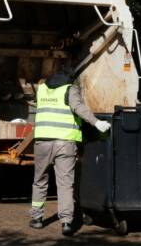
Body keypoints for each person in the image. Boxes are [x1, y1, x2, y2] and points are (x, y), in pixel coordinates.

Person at [30, 67, 111, 236]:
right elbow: (78, 108)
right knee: (65, 183)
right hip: (64, 142)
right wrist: (96, 122)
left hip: (42, 142)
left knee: (39, 180)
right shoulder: (70, 89)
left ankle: (37, 218)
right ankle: (66, 223)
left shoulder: (42, 89)